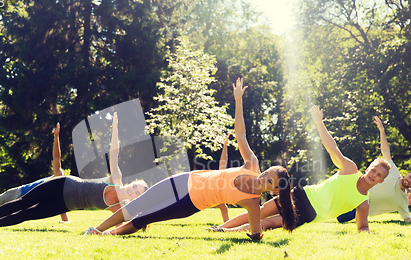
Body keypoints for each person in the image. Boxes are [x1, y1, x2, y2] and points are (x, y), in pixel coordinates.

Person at [84, 78, 296, 240]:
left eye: (268, 181)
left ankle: (107, 236)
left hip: (189, 202)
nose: (262, 179)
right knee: (140, 202)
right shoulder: (251, 165)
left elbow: (255, 230)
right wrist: (238, 100)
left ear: (274, 191)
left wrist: (257, 235)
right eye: (266, 174)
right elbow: (240, 134)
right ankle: (96, 230)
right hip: (185, 180)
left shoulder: (252, 204)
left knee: (144, 217)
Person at [209, 105, 392, 233]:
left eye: (378, 175)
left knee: (271, 223)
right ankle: (220, 228)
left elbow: (362, 227)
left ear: (381, 180)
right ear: (369, 168)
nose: (373, 175)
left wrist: (366, 235)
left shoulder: (363, 203)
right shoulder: (350, 169)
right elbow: (332, 148)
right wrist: (319, 122)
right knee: (262, 210)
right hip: (303, 194)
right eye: (373, 170)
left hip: (310, 213)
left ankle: (225, 232)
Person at [0, 112, 148, 230]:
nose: (133, 191)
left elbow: (126, 224)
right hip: (62, 185)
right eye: (135, 187)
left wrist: (145, 217)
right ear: (131, 184)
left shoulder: (117, 208)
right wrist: (115, 129)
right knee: (22, 203)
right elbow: (114, 153)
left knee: (29, 214)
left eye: (137, 193)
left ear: (136, 198)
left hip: (64, 205)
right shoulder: (116, 180)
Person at [336, 116, 411, 223]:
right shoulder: (394, 172)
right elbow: (386, 152)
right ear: (406, 174)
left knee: (340, 218)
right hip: (358, 190)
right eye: (410, 177)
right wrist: (382, 130)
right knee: (335, 196)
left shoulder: (403, 201)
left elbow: (406, 217)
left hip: (361, 208)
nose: (409, 180)